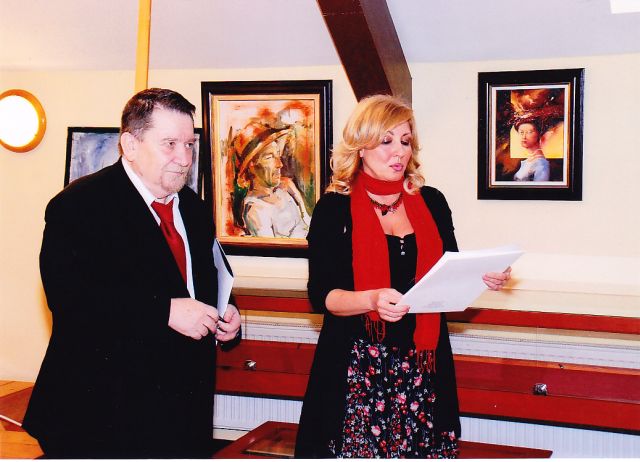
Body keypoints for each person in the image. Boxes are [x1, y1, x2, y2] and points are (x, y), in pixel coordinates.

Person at [23, 88, 241, 458]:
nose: (184, 158)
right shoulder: (78, 206)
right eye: (170, 144)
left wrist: (228, 314)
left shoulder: (194, 208)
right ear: (130, 144)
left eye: (189, 144)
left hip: (180, 416)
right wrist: (164, 311)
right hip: (101, 417)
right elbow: (71, 301)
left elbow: (203, 280)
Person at [295, 95, 511, 458]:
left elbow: (447, 275)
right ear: (361, 147)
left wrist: (481, 277)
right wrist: (371, 299)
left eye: (406, 141)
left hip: (422, 365)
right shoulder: (334, 208)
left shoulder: (432, 202)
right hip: (358, 367)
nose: (399, 151)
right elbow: (322, 296)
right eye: (386, 141)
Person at [233, 122, 311, 237]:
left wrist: (301, 205)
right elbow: (277, 248)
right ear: (252, 165)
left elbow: (306, 221)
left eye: (278, 155)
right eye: (269, 157)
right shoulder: (255, 210)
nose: (280, 164)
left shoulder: (283, 187)